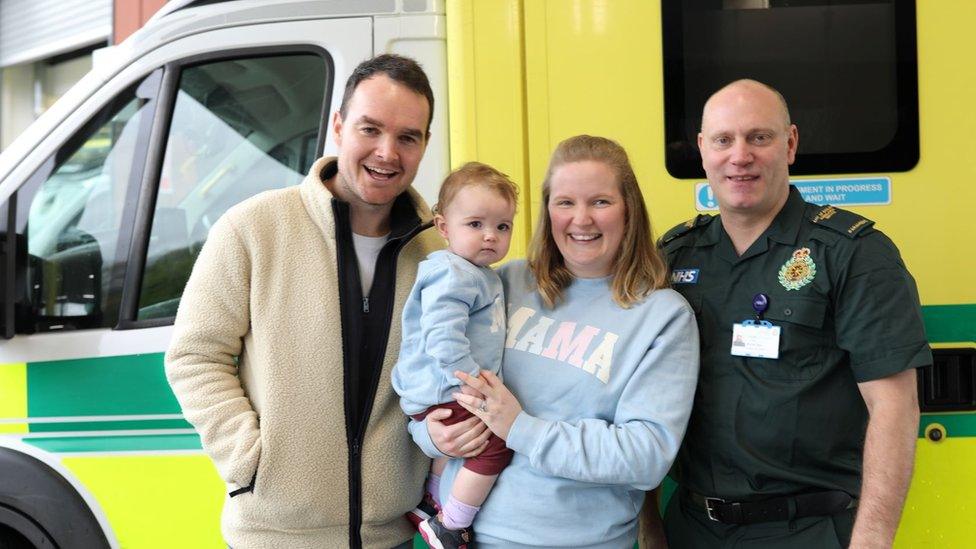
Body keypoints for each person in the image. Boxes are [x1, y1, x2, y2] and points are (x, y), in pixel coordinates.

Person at [165, 54, 466, 548]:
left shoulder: (440, 254)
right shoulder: (254, 227)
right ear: (339, 127)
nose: (387, 153)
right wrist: (249, 459)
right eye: (370, 129)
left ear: (425, 144)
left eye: (407, 137)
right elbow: (195, 356)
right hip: (274, 534)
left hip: (389, 537)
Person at [645, 79, 929, 548]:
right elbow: (642, 397)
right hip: (693, 526)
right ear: (702, 150)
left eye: (759, 137)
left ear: (790, 144)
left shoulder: (854, 254)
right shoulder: (674, 256)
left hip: (810, 529)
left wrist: (873, 541)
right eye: (723, 140)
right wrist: (650, 525)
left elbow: (895, 407)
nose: (740, 156)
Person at [410, 135, 700, 548]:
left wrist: (521, 429)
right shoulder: (500, 283)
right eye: (565, 202)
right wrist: (430, 435)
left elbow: (647, 456)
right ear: (548, 211)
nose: (581, 219)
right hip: (465, 538)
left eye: (600, 201)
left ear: (629, 210)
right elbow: (430, 368)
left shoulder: (663, 316)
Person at [392, 162, 518, 548]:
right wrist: (474, 385)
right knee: (495, 447)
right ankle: (452, 523)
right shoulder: (455, 272)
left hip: (440, 392)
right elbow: (442, 336)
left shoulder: (477, 273)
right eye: (475, 224)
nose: (490, 236)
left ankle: (432, 501)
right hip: (451, 387)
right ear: (444, 227)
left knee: (457, 449)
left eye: (502, 226)